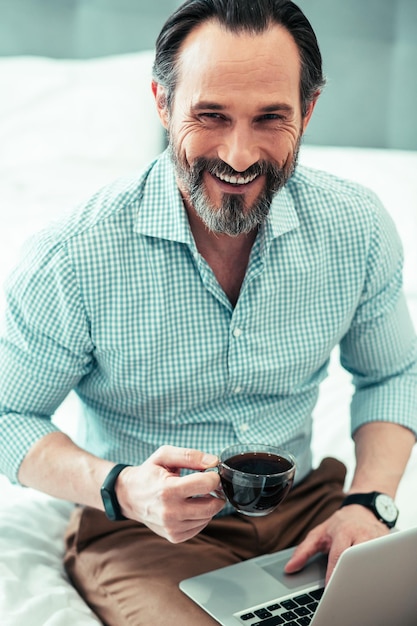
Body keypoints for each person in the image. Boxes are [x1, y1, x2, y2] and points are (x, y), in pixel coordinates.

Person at [1, 0, 416, 624]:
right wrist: (120, 487)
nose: (241, 156)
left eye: (271, 118)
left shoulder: (356, 228)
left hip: (310, 506)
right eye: (211, 116)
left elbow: (392, 373)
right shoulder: (73, 255)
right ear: (163, 104)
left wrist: (370, 501)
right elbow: (9, 412)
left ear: (308, 110)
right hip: (142, 534)